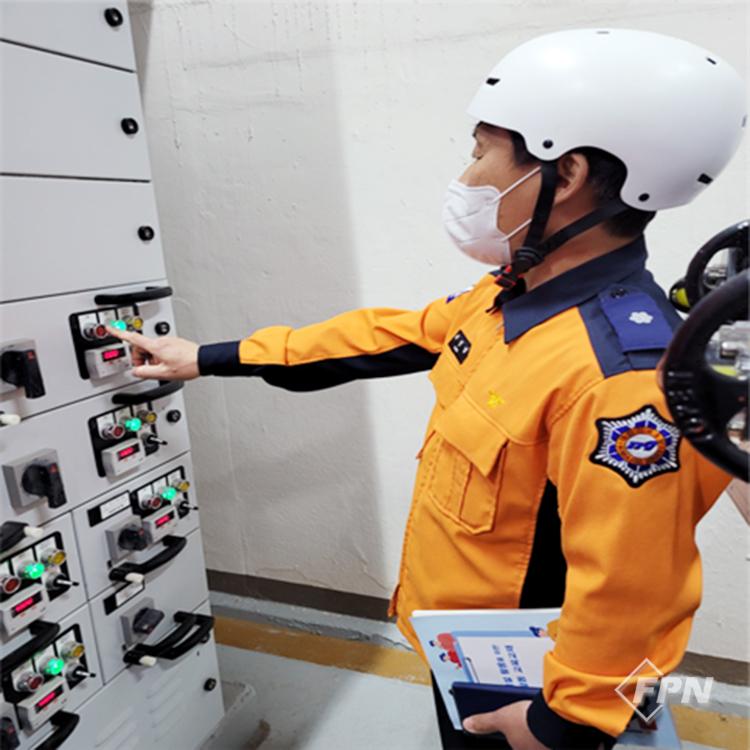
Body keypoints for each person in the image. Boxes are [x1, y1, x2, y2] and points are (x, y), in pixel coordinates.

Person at [107, 28, 746, 750]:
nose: (467, 175)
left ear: (565, 174)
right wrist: (211, 357)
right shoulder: (510, 297)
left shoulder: (622, 376)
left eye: (481, 152)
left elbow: (634, 582)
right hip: (467, 652)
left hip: (534, 687)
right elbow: (386, 336)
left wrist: (562, 724)